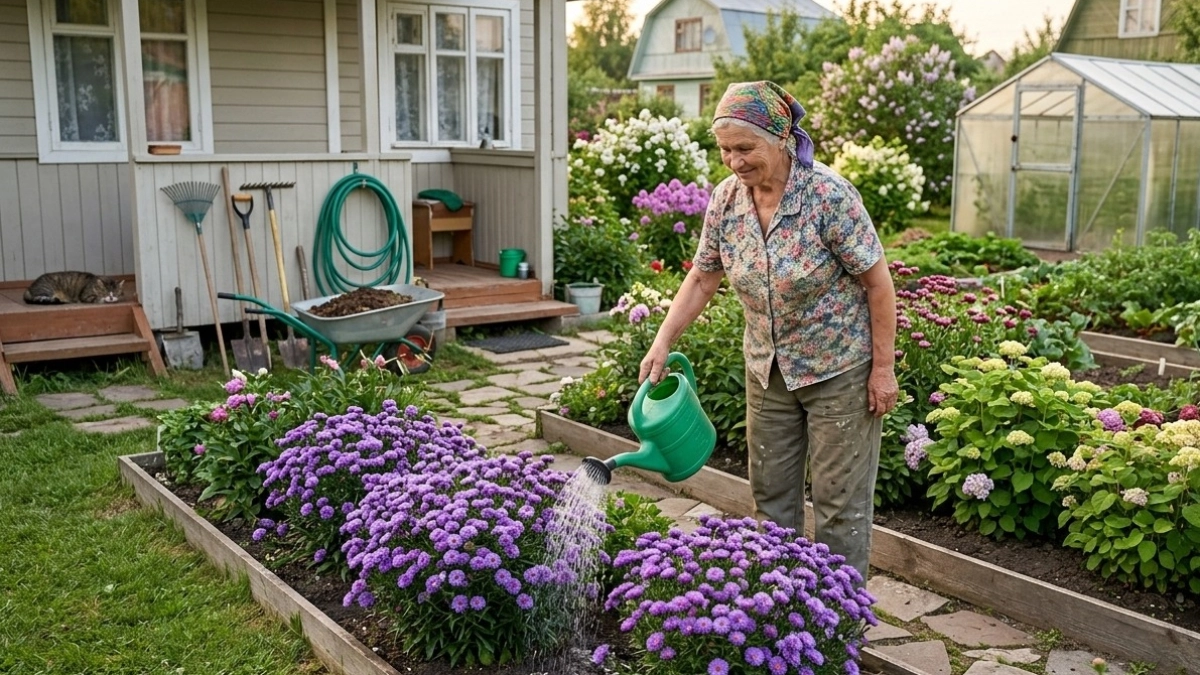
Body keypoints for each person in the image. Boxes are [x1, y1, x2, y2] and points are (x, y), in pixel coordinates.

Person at [638, 81, 898, 581]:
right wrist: (662, 340)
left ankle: (837, 619)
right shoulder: (726, 200)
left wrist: (882, 369)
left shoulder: (827, 195)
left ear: (781, 137)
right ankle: (781, 607)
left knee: (839, 502)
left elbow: (878, 283)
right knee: (771, 494)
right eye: (724, 150)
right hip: (767, 367)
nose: (733, 161)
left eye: (744, 148)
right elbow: (702, 276)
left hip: (837, 368)